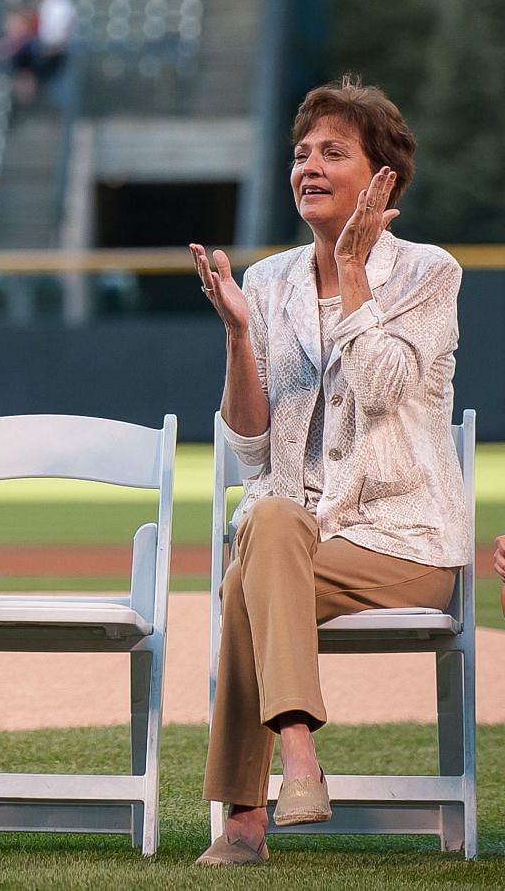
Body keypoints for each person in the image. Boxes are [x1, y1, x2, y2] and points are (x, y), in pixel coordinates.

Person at [189, 78, 466, 867]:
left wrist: (352, 272)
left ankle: (244, 822)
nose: (308, 165)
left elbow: (380, 386)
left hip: (404, 546)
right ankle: (300, 758)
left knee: (246, 575)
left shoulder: (428, 273)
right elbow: (251, 448)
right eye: (302, 152)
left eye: (333, 152)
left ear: (382, 179)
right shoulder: (269, 282)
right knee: (265, 522)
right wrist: (241, 339)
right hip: (297, 537)